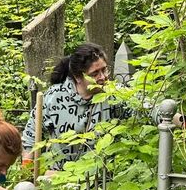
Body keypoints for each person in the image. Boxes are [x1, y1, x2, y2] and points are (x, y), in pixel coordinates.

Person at [22, 42, 126, 171]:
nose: (103, 77)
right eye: (95, 74)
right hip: (60, 179)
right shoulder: (53, 97)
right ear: (78, 77)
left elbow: (142, 107)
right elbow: (31, 135)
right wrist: (27, 172)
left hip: (104, 181)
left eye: (104, 70)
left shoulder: (115, 94)